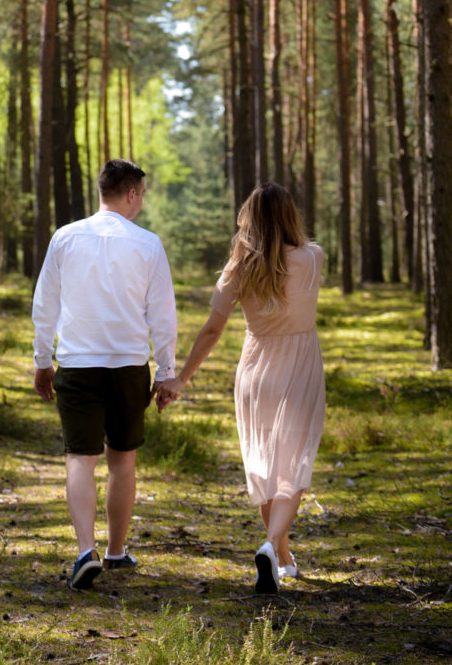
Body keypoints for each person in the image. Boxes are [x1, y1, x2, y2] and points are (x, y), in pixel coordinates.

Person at [155, 181, 325, 595]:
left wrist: (181, 378)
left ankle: (281, 556)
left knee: (266, 463)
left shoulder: (238, 267)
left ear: (249, 219)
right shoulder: (313, 258)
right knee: (293, 464)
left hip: (254, 371)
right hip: (299, 367)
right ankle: (270, 547)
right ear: (290, 216)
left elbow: (213, 329)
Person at [32, 158, 177, 592]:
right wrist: (166, 372)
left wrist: (43, 361)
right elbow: (163, 316)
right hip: (130, 365)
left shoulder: (65, 238)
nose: (142, 202)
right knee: (122, 462)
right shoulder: (148, 244)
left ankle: (84, 551)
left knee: (80, 458)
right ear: (131, 193)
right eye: (142, 195)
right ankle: (115, 551)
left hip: (77, 364)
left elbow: (45, 306)